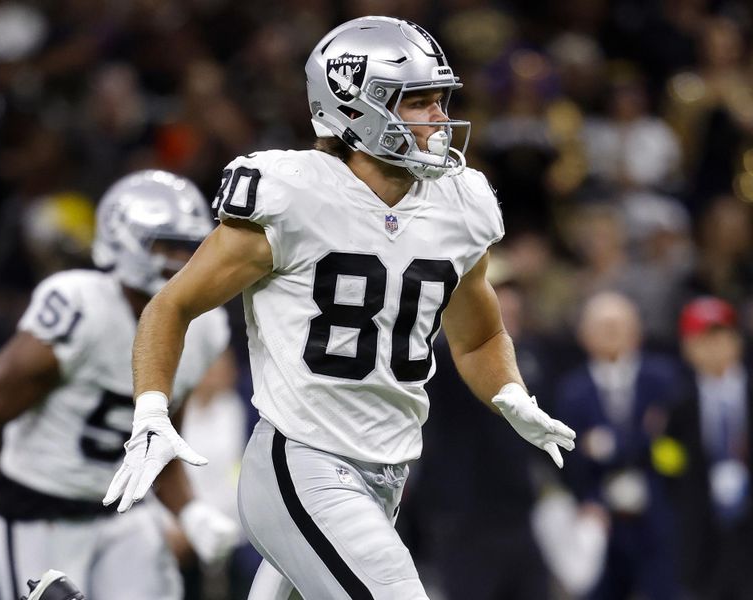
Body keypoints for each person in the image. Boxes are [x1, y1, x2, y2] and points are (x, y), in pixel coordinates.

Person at [104, 16, 576, 600]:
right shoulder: (293, 194)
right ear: (355, 107)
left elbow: (477, 338)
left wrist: (509, 394)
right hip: (301, 463)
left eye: (440, 99)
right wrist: (152, 409)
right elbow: (172, 305)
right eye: (418, 101)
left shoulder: (461, 204)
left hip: (389, 474)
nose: (439, 117)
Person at [0, 171, 239, 600]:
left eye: (190, 246)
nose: (183, 259)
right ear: (125, 241)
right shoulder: (79, 307)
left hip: (125, 512)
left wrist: (191, 511)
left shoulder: (205, 327)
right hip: (40, 513)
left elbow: (158, 438)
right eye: (168, 245)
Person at [556, 291, 679, 600]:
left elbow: (677, 445)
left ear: (637, 330)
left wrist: (606, 446)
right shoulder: (572, 391)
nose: (611, 333)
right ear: (583, 334)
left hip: (660, 512)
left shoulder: (664, 378)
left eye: (618, 325)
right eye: (602, 326)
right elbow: (567, 457)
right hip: (600, 517)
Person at [665, 297, 753, 598]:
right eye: (701, 339)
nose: (713, 346)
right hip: (703, 536)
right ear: (687, 348)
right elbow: (666, 458)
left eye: (720, 336)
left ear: (736, 340)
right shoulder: (677, 403)